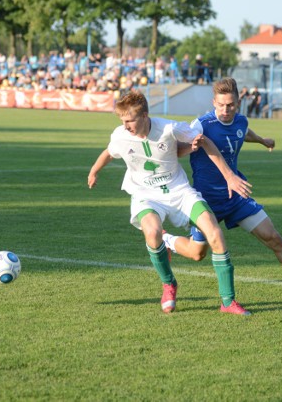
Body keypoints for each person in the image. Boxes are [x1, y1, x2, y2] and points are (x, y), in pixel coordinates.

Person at [162, 78, 282, 303]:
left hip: (235, 196)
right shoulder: (200, 124)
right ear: (213, 102)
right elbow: (177, 150)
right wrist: (190, 147)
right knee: (198, 253)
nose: (226, 111)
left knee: (272, 237)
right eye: (221, 105)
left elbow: (243, 132)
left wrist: (263, 140)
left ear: (238, 102)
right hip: (206, 202)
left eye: (231, 105)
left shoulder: (240, 121)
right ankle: (166, 240)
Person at [87, 90, 254, 315]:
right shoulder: (120, 135)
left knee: (215, 233)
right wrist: (94, 171)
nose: (125, 125)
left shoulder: (169, 128)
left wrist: (198, 150)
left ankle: (227, 302)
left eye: (130, 120)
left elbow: (202, 141)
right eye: (122, 121)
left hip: (179, 191)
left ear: (145, 116)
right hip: (145, 194)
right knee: (153, 232)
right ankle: (169, 284)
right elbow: (108, 152)